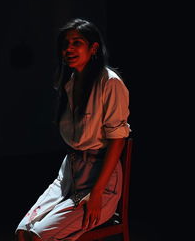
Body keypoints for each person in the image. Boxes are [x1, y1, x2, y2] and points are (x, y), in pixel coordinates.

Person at [15, 18, 131, 241]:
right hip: (70, 174)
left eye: (76, 42)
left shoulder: (110, 83)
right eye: (65, 44)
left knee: (40, 236)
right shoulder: (69, 82)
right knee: (23, 233)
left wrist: (96, 194)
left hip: (101, 181)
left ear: (93, 48)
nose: (68, 49)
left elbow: (118, 140)